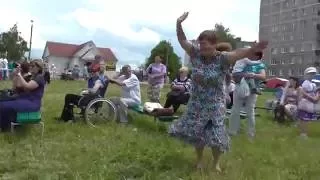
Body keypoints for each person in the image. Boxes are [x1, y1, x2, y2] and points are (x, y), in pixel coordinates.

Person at [168, 12, 268, 171]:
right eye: (200, 44)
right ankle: (199, 160)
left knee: (216, 135)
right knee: (198, 133)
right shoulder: (196, 54)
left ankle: (216, 163)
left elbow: (239, 53)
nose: (202, 47)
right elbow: (182, 40)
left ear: (214, 44)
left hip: (215, 103)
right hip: (197, 103)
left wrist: (253, 49)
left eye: (206, 44)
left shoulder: (223, 58)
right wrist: (178, 23)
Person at [229, 51, 266, 140]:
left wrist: (253, 75)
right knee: (235, 111)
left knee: (250, 112)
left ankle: (250, 134)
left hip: (252, 91)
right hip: (239, 89)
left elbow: (263, 76)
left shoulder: (259, 65)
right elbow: (234, 74)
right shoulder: (242, 61)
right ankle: (233, 132)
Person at [0, 60, 46, 131]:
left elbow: (28, 86)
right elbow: (17, 86)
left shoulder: (39, 77)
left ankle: (6, 126)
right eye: (30, 65)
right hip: (26, 99)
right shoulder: (33, 76)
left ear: (39, 68)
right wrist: (16, 74)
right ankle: (7, 125)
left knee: (4, 105)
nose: (31, 67)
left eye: (33, 66)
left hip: (32, 103)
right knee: (3, 103)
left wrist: (19, 75)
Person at [297, 67, 318, 138]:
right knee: (303, 119)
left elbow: (314, 92)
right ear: (306, 74)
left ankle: (304, 132)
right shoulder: (305, 83)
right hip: (305, 103)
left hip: (310, 104)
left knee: (307, 119)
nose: (311, 76)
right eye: (310, 74)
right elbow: (303, 93)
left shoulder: (313, 84)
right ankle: (303, 133)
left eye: (313, 74)